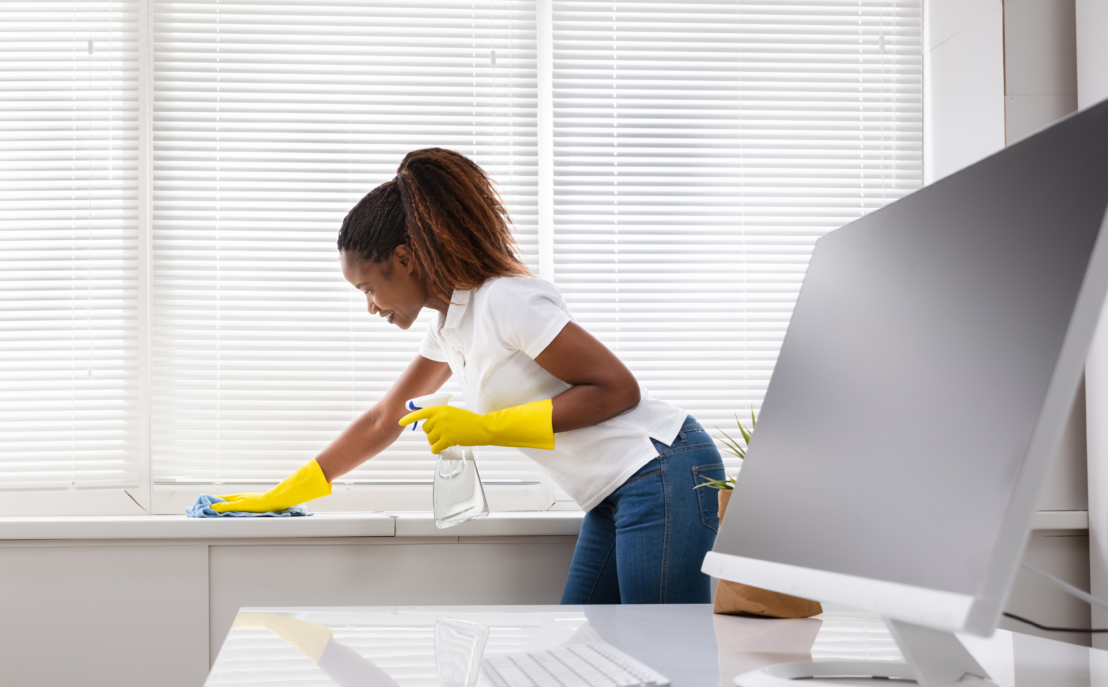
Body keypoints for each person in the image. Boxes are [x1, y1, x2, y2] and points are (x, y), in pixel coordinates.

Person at [208, 147, 725, 604]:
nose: (370, 306)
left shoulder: (504, 300)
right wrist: (286, 493)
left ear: (405, 259)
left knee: (662, 653)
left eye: (368, 288)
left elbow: (617, 389)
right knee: (588, 652)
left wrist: (484, 428)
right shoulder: (450, 327)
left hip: (660, 467)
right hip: (612, 492)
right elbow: (384, 420)